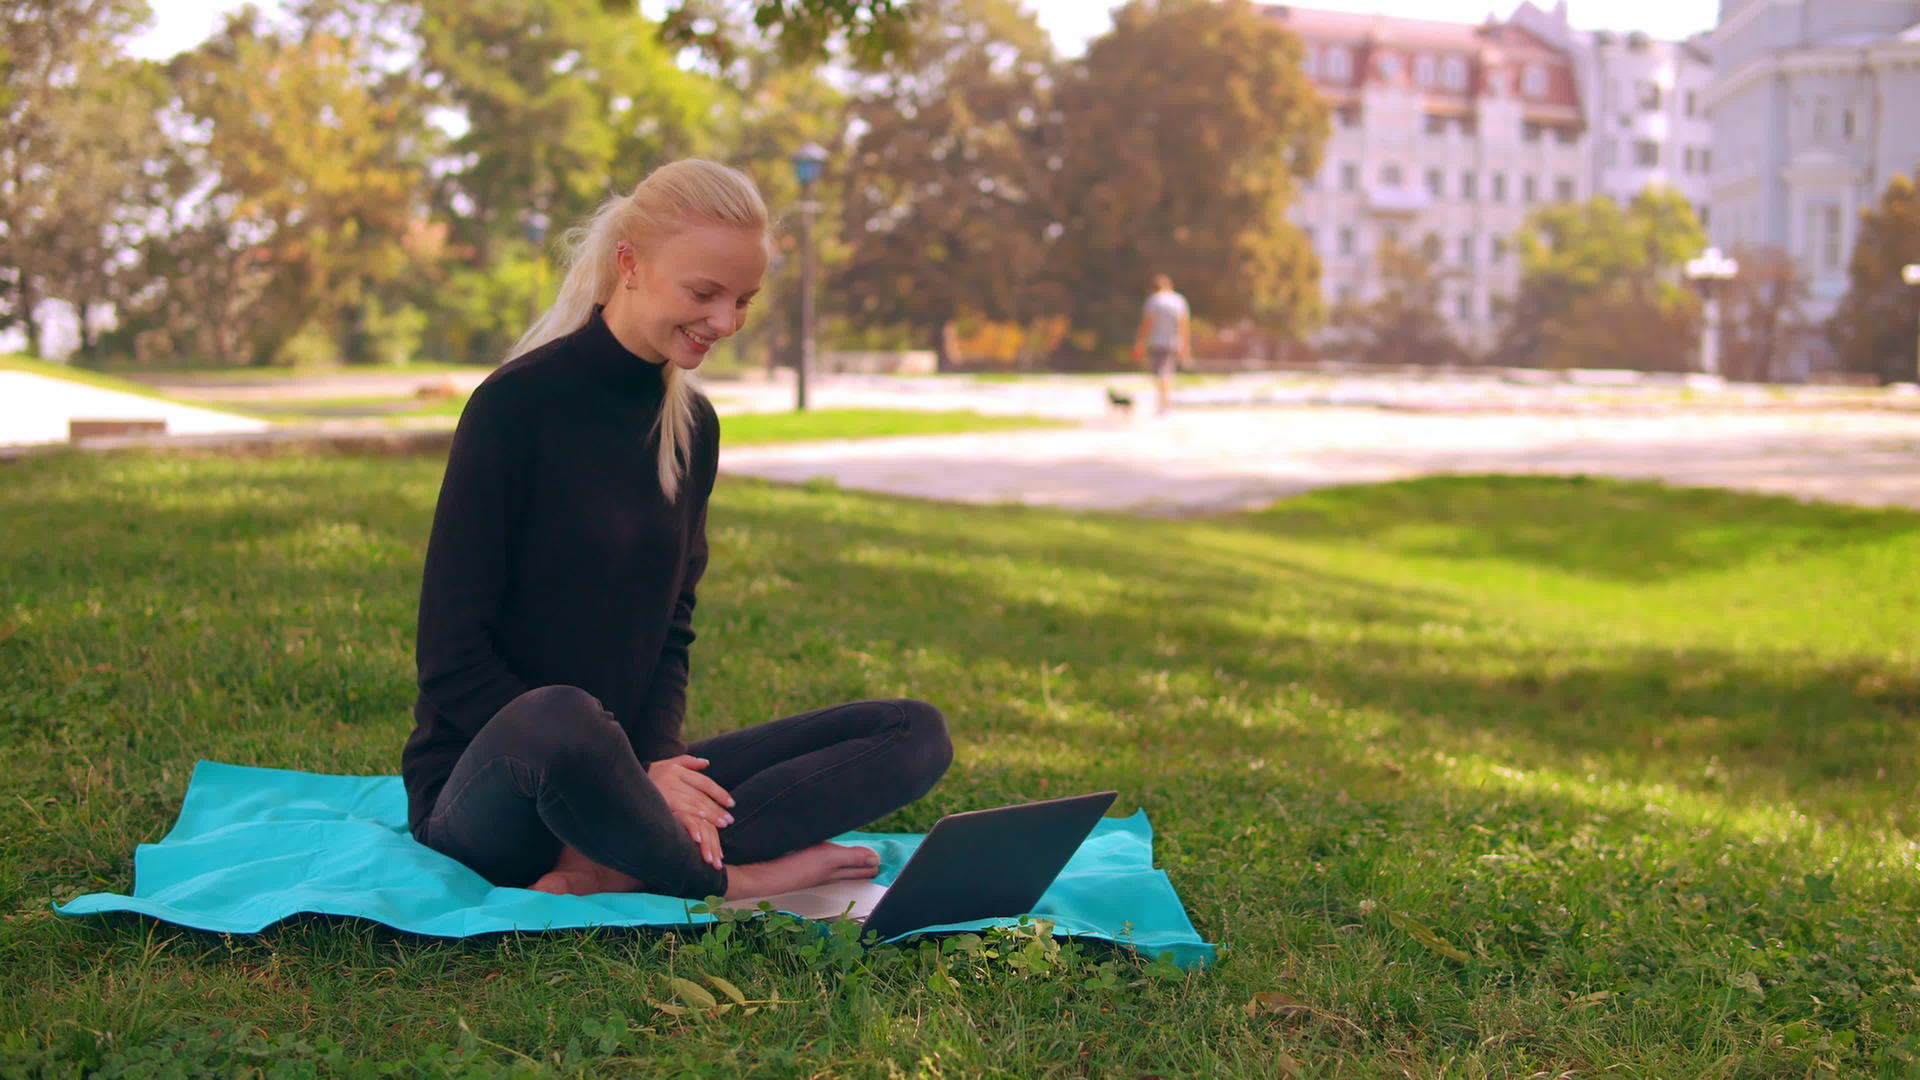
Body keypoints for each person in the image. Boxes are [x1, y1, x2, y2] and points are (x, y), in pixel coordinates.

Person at [401, 160, 953, 901]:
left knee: (912, 732)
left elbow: (671, 629)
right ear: (629, 264)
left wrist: (660, 767)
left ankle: (620, 861)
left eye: (744, 301)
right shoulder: (515, 409)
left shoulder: (693, 427)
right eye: (705, 293)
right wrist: (627, 772)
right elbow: (451, 656)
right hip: (499, 790)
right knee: (561, 717)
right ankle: (725, 878)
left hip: (632, 780)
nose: (725, 322)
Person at [1131, 274, 1190, 414]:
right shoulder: (1179, 300)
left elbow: (1147, 323)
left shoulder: (1153, 301)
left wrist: (1140, 341)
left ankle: (1163, 403)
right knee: (1167, 371)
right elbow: (1183, 324)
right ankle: (1165, 402)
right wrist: (1185, 343)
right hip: (1173, 342)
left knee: (1161, 373)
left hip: (1156, 342)